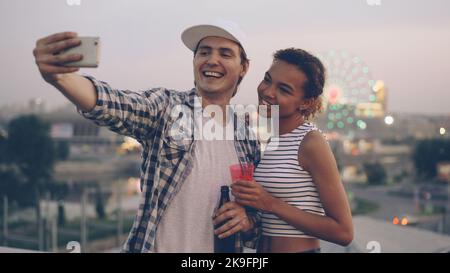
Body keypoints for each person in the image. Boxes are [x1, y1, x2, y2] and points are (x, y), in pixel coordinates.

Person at [32, 19, 260, 253]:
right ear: (194, 61)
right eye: (204, 52)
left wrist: (248, 222)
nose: (212, 60)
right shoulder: (168, 108)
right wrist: (60, 78)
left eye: (225, 53)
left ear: (244, 67)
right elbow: (117, 105)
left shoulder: (246, 139)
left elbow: (257, 222)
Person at [230, 48, 354, 253]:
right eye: (267, 80)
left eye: (284, 90)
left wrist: (269, 203)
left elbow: (343, 232)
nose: (268, 91)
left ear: (306, 103)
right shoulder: (273, 140)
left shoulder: (311, 142)